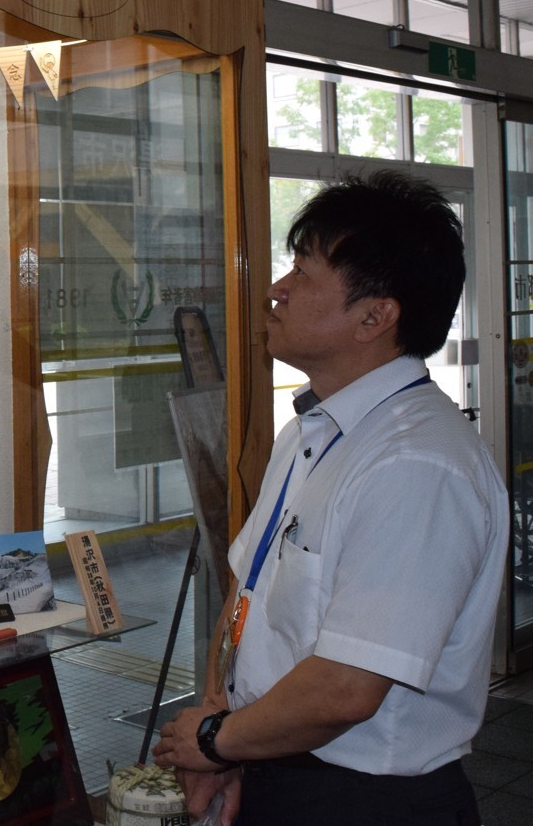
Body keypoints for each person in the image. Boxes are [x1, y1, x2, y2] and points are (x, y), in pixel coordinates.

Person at [152, 172, 507, 826]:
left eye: (303, 273)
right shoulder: (311, 432)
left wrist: (213, 741)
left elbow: (346, 689)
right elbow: (246, 597)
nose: (275, 289)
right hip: (274, 766)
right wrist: (228, 737)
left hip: (366, 802)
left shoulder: (414, 465)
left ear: (375, 316)